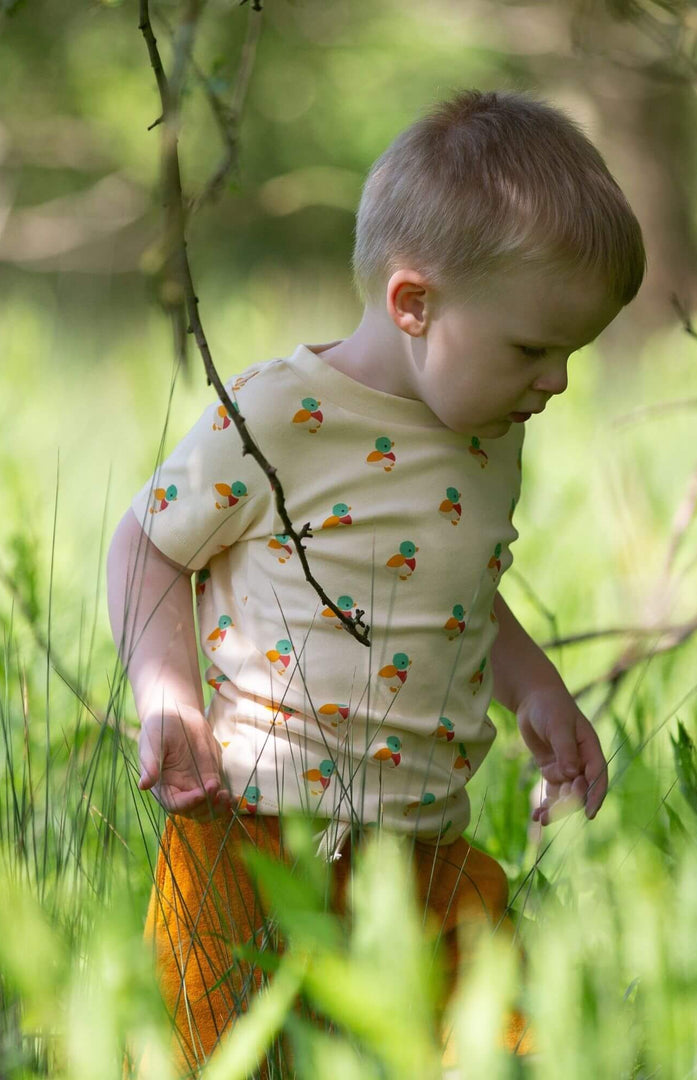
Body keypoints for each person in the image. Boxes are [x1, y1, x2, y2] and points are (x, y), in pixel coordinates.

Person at [108, 88, 644, 1074]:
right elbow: (146, 545)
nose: (557, 382)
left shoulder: (489, 434)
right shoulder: (281, 414)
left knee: (497, 1041)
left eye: (570, 353)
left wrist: (536, 690)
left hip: (423, 838)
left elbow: (460, 583)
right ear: (415, 304)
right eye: (534, 348)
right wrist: (167, 691)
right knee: (212, 1049)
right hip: (252, 821)